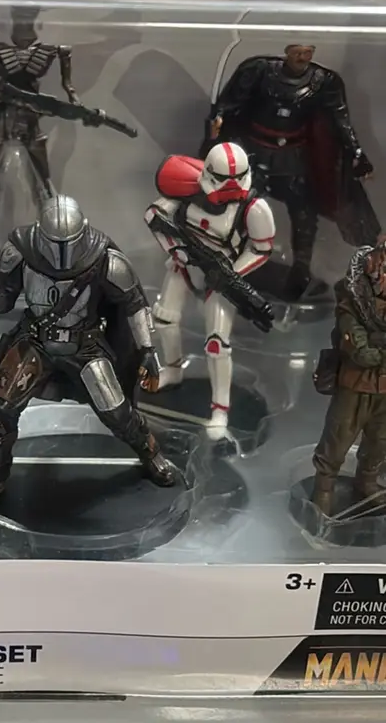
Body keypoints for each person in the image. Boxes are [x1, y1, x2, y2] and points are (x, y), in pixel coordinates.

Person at [0, 194, 178, 507]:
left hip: (84, 346)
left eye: (68, 243)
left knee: (118, 413)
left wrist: (147, 350)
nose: (61, 253)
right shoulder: (20, 249)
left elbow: (134, 304)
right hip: (35, 341)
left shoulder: (103, 257)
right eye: (54, 243)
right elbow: (3, 301)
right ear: (40, 232)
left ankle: (151, 453)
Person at [206, 43, 376, 300]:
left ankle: (301, 270)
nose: (302, 57)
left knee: (304, 213)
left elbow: (340, 120)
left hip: (293, 158)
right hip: (254, 154)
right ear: (287, 51)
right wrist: (218, 118)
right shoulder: (259, 71)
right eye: (298, 52)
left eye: (308, 52)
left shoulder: (322, 82)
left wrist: (357, 154)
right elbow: (229, 102)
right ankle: (232, 260)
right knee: (239, 208)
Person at [145, 142, 275, 439]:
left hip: (220, 275)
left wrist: (231, 274)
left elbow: (261, 248)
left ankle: (220, 409)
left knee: (217, 344)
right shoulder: (188, 190)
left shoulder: (253, 208)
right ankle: (173, 369)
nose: (229, 192)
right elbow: (154, 215)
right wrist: (176, 250)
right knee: (163, 319)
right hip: (184, 265)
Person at [0, 6, 79, 260]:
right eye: (20, 18)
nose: (23, 25)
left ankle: (49, 249)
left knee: (44, 187)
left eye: (27, 18)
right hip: (4, 119)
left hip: (30, 121)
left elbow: (68, 85)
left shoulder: (50, 52)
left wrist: (74, 101)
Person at [312, 242, 386, 517]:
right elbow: (362, 353)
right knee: (337, 441)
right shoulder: (351, 303)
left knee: (379, 442)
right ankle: (323, 490)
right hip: (354, 387)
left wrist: (378, 341)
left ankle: (367, 482)